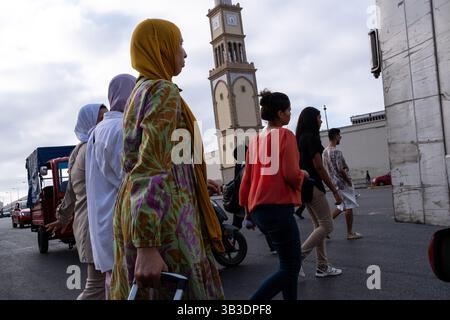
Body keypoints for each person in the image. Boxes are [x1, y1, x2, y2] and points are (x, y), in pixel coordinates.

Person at [109, 19, 224, 300]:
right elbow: (149, 166)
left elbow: (154, 157)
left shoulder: (139, 91)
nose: (184, 53)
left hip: (138, 210)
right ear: (161, 48)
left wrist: (194, 182)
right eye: (179, 44)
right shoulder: (163, 91)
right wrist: (148, 246)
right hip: (167, 221)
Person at [239, 90, 308, 300]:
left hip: (259, 210)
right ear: (280, 113)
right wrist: (302, 175)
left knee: (286, 264)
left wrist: (246, 210)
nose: (289, 114)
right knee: (290, 267)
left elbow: (246, 179)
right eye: (288, 111)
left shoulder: (256, 141)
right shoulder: (285, 135)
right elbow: (290, 173)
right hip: (278, 208)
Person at [46, 103, 108, 300]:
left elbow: (70, 194)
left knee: (102, 286)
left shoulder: (77, 151)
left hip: (86, 224)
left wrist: (62, 218)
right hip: (95, 225)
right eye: (101, 119)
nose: (105, 122)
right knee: (96, 288)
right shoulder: (93, 147)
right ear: (89, 122)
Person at [85, 74, 136, 299]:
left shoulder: (98, 131)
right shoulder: (119, 129)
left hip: (104, 225)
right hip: (119, 226)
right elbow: (130, 178)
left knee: (114, 287)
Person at [295, 107, 343, 278]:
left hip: (304, 188)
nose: (321, 120)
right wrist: (334, 190)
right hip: (314, 186)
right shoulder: (312, 138)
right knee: (327, 225)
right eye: (319, 117)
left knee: (319, 226)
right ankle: (298, 257)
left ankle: (322, 266)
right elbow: (319, 167)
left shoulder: (299, 138)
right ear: (311, 120)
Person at [231, 145, 276, 254]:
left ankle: (230, 244)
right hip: (249, 200)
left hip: (242, 200)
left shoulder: (239, 166)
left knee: (236, 225)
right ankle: (274, 247)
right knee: (264, 223)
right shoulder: (249, 166)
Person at [323, 128, 363, 240]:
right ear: (335, 136)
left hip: (334, 183)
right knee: (349, 206)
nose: (340, 138)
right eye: (339, 136)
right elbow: (341, 169)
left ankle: (323, 229)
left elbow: (326, 169)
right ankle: (350, 233)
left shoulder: (325, 152)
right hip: (343, 183)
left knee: (341, 207)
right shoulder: (337, 152)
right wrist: (349, 181)